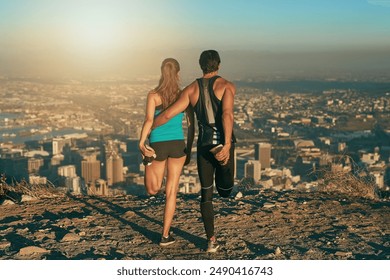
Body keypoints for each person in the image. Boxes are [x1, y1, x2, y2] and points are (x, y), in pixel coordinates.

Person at [152, 50, 236, 253]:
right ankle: (224, 163)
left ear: (201, 66)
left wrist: (148, 127)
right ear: (219, 65)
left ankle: (211, 241)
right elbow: (226, 115)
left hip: (204, 145)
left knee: (206, 194)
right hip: (222, 142)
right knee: (226, 191)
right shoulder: (227, 86)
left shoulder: (190, 90)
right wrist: (225, 145)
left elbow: (168, 114)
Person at [138, 58, 194, 246]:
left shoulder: (153, 95)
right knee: (171, 192)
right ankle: (165, 235)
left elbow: (148, 120)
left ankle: (147, 161)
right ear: (178, 74)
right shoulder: (182, 95)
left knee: (152, 190)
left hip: (158, 144)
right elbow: (190, 121)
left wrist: (142, 141)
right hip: (178, 144)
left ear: (162, 73)